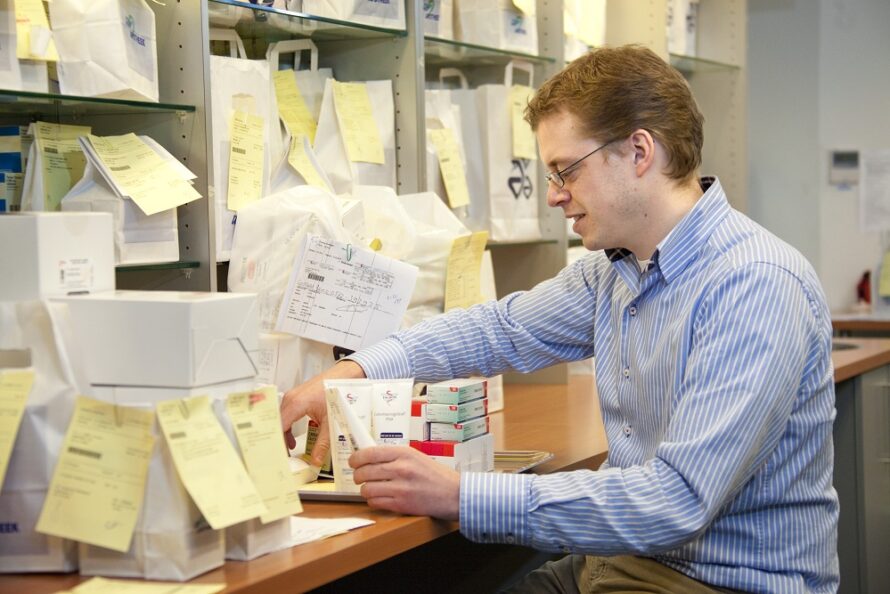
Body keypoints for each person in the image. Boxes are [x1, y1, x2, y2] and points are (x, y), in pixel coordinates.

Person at [280, 45, 838, 593]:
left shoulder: (756, 284)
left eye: (564, 170)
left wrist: (458, 495)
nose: (553, 196)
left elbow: (676, 502)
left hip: (719, 580)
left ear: (639, 152)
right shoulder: (616, 270)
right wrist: (356, 372)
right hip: (619, 562)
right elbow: (498, 329)